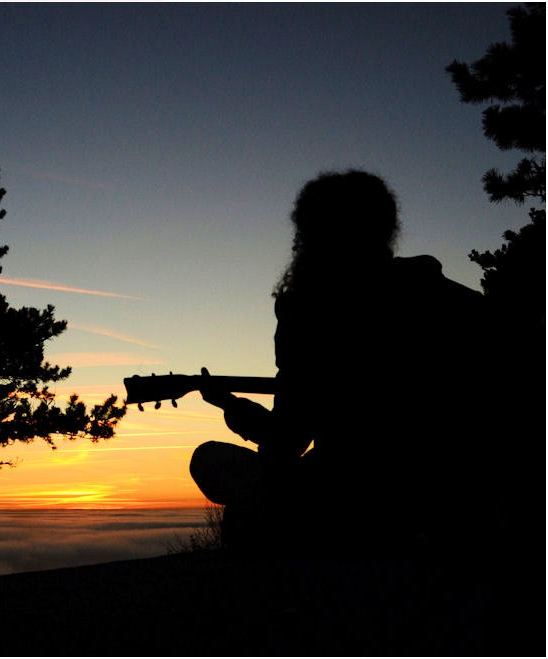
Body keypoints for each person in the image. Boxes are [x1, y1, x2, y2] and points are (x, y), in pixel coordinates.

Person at [190, 170, 498, 556]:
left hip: (356, 495)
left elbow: (288, 440)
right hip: (459, 488)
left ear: (308, 235)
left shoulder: (308, 311)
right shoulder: (452, 300)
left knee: (210, 460)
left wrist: (230, 405)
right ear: (386, 229)